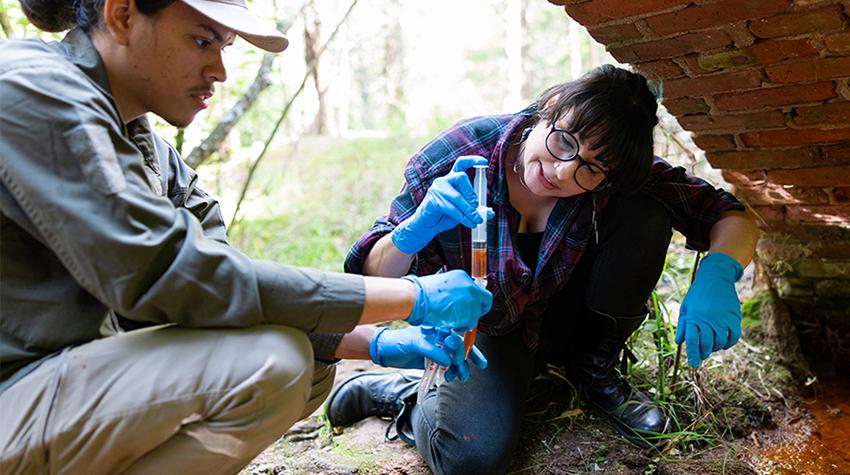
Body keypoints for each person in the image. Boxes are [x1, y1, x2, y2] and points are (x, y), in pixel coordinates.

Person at [0, 1, 492, 474]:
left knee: (303, 358)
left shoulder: (145, 146)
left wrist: (380, 344)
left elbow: (231, 288)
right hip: (16, 394)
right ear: (123, 13)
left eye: (225, 48)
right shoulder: (31, 90)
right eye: (201, 41)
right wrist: (412, 297)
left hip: (49, 390)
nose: (219, 71)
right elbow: (170, 275)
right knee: (269, 364)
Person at [326, 65, 760, 474]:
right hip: (485, 328)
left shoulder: (614, 173)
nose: (563, 170)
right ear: (550, 107)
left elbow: (728, 215)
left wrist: (719, 275)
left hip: (563, 312)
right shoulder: (462, 151)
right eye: (565, 142)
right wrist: (413, 230)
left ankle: (594, 374)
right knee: (471, 460)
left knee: (647, 213)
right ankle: (403, 393)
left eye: (590, 168)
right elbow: (374, 282)